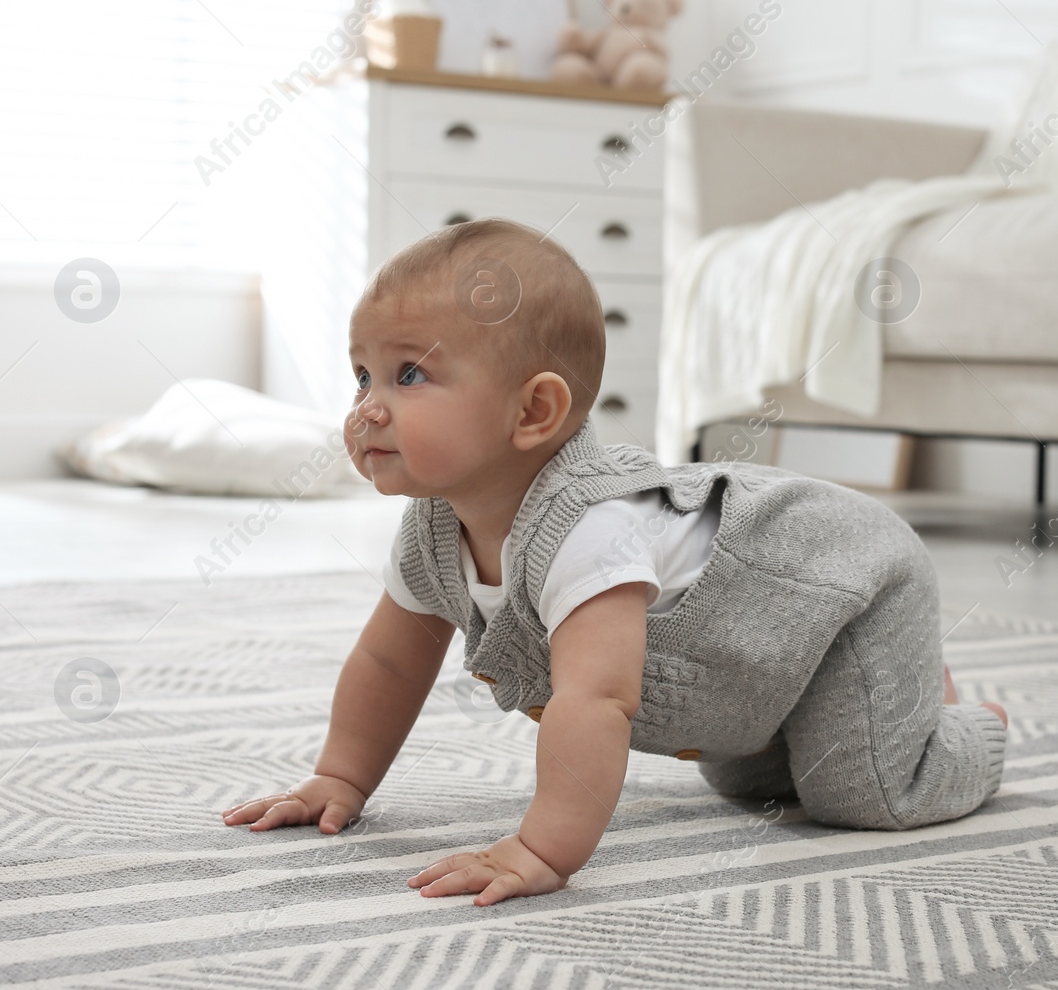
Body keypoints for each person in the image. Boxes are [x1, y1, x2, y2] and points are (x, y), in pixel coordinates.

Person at [222, 218, 1008, 907]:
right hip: (759, 665)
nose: (367, 406)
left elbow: (595, 700)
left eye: (410, 375)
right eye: (362, 374)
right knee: (743, 778)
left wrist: (540, 847)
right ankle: (899, 696)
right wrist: (339, 780)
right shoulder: (434, 526)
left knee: (863, 792)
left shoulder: (591, 529)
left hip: (855, 583)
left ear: (533, 412)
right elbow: (390, 661)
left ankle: (965, 726)